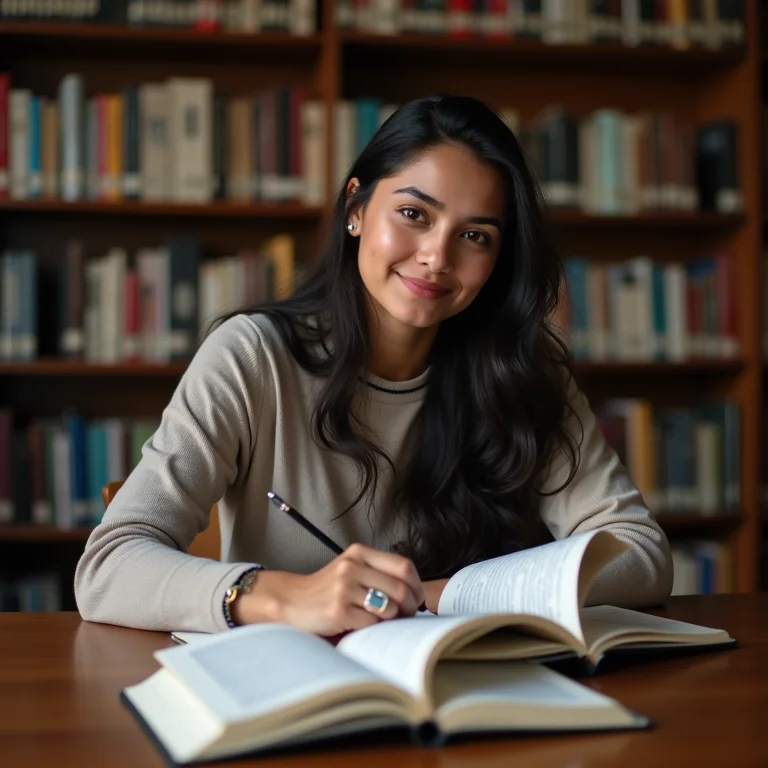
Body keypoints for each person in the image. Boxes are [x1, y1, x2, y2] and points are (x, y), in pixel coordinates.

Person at [74, 94, 673, 635]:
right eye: (414, 214)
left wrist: (443, 597)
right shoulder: (252, 358)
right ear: (356, 208)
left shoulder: (521, 373)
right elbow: (108, 565)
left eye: (476, 236)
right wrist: (278, 597)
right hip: (293, 698)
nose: (437, 256)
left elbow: (641, 552)